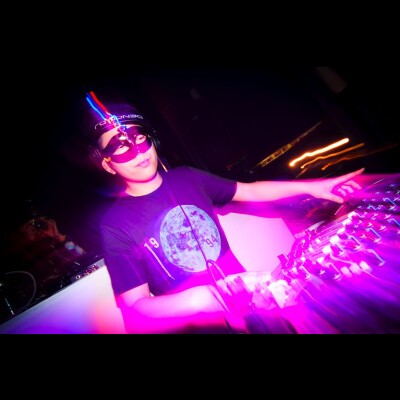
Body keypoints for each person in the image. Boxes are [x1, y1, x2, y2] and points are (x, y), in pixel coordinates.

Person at [80, 91, 365, 334]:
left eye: (139, 138)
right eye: (119, 147)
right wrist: (201, 298)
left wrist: (314, 186)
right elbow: (135, 307)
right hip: (205, 327)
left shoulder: (187, 178)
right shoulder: (115, 225)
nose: (137, 152)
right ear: (107, 164)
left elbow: (250, 191)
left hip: (257, 308)